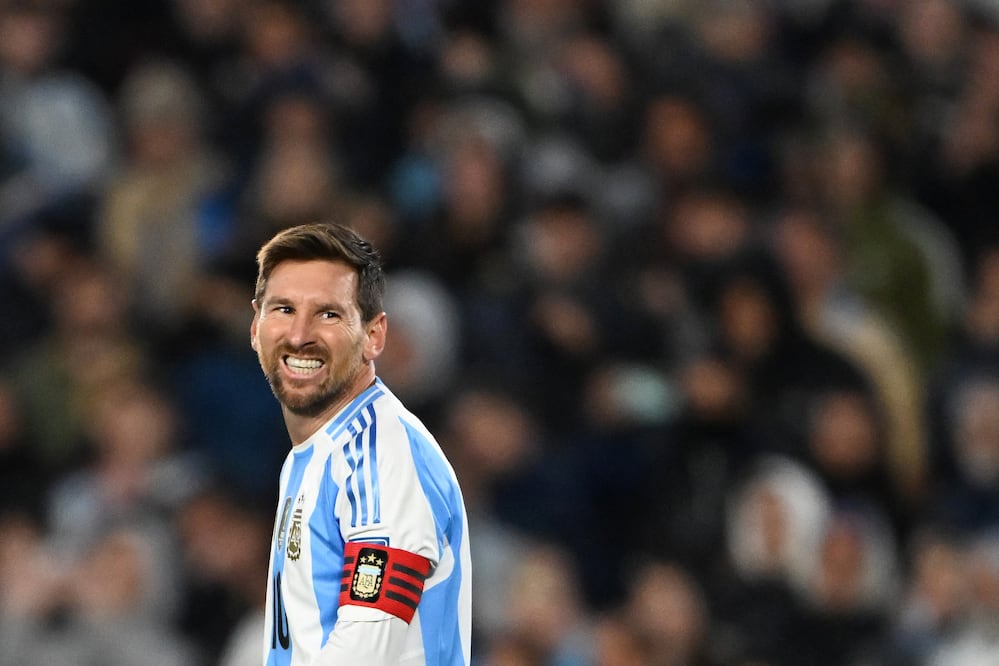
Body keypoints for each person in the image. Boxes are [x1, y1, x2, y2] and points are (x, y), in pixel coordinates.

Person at [249, 222, 472, 665]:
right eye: (284, 309)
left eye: (328, 314)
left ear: (374, 335)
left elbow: (365, 653)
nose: (299, 335)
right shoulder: (315, 454)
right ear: (255, 326)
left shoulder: (380, 456)